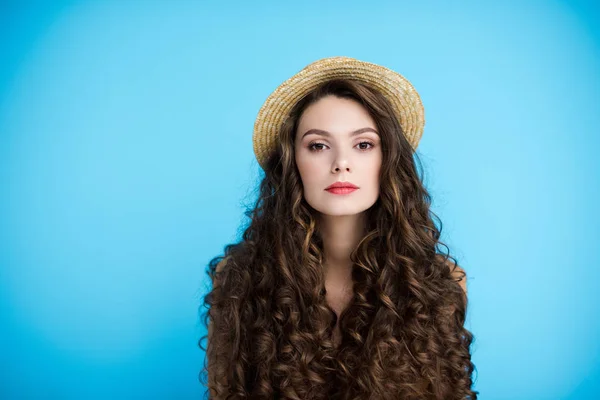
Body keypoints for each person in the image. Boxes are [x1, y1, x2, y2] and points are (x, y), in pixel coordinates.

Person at [198, 56, 477, 400]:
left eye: (363, 145)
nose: (341, 163)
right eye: (318, 146)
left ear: (387, 159)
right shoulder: (237, 279)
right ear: (292, 164)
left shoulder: (442, 284)